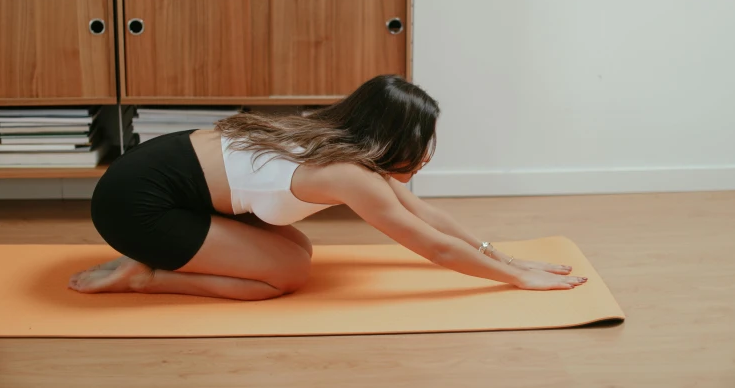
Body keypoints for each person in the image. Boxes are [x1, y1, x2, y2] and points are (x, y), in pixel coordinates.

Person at [69, 74, 587, 300]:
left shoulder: (336, 135)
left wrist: (508, 259)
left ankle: (156, 263)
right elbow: (428, 243)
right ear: (391, 136)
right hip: (137, 206)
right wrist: (515, 281)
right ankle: (145, 277)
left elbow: (424, 213)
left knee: (295, 246)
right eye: (421, 141)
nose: (426, 154)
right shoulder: (346, 173)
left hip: (157, 178)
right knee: (288, 274)